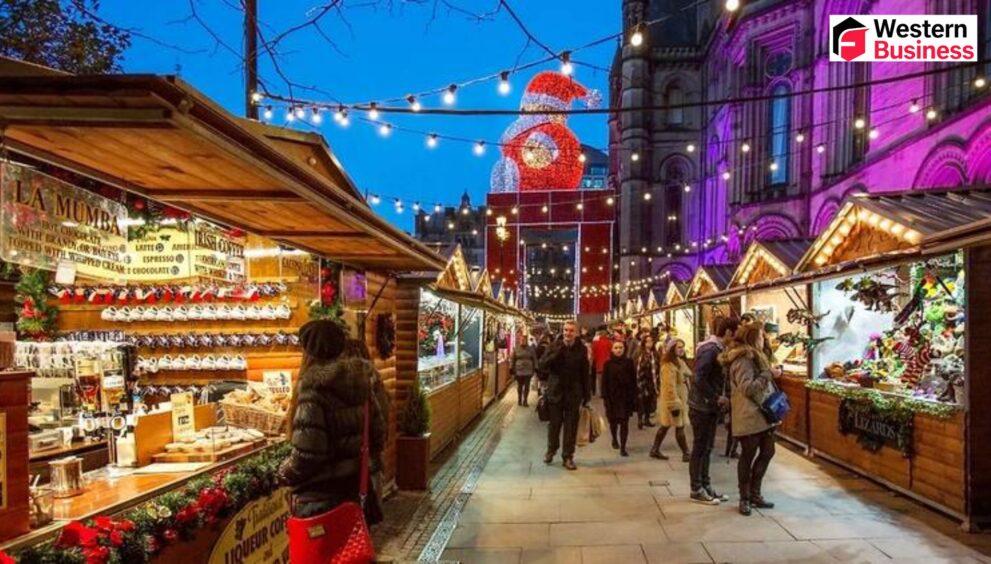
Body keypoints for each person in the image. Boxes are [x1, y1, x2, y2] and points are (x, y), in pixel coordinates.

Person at [280, 320, 390, 528]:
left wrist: (284, 472)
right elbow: (378, 434)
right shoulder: (361, 384)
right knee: (350, 556)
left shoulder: (313, 390)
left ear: (308, 352)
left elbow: (307, 454)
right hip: (353, 493)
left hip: (320, 499)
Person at [721, 323, 780, 516]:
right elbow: (748, 388)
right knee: (748, 455)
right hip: (749, 415)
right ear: (754, 338)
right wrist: (769, 374)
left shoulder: (757, 357)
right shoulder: (743, 360)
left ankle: (755, 493)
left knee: (768, 451)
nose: (765, 340)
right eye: (762, 337)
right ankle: (745, 497)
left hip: (763, 414)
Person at [687, 316, 740, 505]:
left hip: (707, 406)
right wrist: (716, 396)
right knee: (700, 448)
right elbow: (698, 378)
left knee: (707, 448)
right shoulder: (710, 350)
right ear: (728, 332)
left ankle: (706, 485)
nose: (737, 338)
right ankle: (696, 489)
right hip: (701, 406)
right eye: (736, 333)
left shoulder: (717, 349)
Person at [539, 319, 591, 470]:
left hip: (573, 393)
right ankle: (551, 450)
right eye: (566, 330)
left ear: (576, 332)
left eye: (571, 330)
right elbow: (542, 365)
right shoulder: (554, 346)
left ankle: (568, 456)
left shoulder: (581, 349)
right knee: (554, 425)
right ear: (563, 331)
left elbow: (585, 373)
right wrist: (557, 353)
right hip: (555, 392)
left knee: (570, 426)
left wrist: (587, 395)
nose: (568, 333)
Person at [650, 339, 691, 462]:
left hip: (679, 398)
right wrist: (674, 404)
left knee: (666, 425)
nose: (681, 350)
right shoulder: (668, 365)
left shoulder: (679, 362)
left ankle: (655, 449)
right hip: (673, 400)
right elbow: (669, 387)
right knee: (679, 426)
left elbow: (687, 373)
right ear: (672, 349)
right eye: (678, 347)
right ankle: (686, 453)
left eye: (682, 347)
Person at [601, 340, 636, 456]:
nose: (618, 350)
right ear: (612, 349)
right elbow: (604, 382)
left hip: (625, 398)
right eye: (616, 348)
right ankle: (614, 438)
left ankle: (623, 447)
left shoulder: (629, 363)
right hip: (612, 398)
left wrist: (634, 396)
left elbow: (633, 380)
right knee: (613, 422)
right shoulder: (607, 364)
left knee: (624, 422)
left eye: (620, 347)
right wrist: (605, 397)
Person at [635, 334, 659, 429]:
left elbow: (658, 366)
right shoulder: (640, 354)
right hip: (642, 381)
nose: (649, 343)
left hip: (652, 381)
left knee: (650, 401)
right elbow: (636, 367)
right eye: (647, 341)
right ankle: (640, 419)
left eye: (651, 341)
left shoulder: (655, 354)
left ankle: (647, 419)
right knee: (641, 401)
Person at [511, 338, 538, 407]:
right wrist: (511, 368)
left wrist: (535, 368)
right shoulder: (516, 349)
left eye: (524, 340)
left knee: (527, 386)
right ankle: (519, 399)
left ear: (526, 341)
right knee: (519, 386)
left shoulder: (531, 349)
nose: (523, 341)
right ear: (519, 341)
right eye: (521, 340)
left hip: (528, 370)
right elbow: (513, 359)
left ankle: (525, 400)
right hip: (519, 370)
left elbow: (534, 358)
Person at [591, 328, 613, 397]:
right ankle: (607, 392)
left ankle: (601, 393)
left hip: (599, 364)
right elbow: (612, 353)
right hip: (608, 364)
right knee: (607, 380)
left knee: (600, 380)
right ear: (606, 335)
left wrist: (593, 361)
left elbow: (593, 353)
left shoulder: (595, 343)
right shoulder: (609, 343)